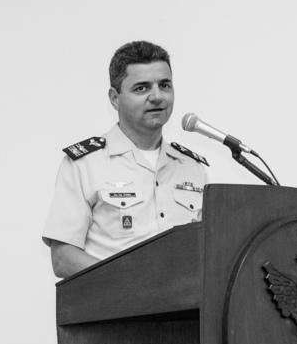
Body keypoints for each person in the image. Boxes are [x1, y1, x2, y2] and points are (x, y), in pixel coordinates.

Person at [42, 41, 209, 278]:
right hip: (116, 309)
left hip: (188, 311)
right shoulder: (84, 164)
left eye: (165, 85)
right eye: (141, 88)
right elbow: (63, 259)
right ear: (114, 98)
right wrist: (134, 280)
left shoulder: (192, 167)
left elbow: (210, 252)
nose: (157, 96)